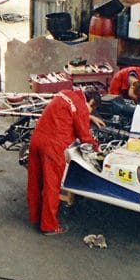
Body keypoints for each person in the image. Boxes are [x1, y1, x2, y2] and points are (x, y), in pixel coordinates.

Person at [27, 89, 103, 235]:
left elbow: (71, 110)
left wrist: (88, 116)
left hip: (36, 140)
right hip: (53, 148)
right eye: (91, 109)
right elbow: (84, 136)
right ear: (91, 102)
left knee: (35, 182)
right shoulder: (81, 107)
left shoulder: (65, 93)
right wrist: (98, 149)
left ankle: (35, 217)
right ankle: (49, 226)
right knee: (52, 186)